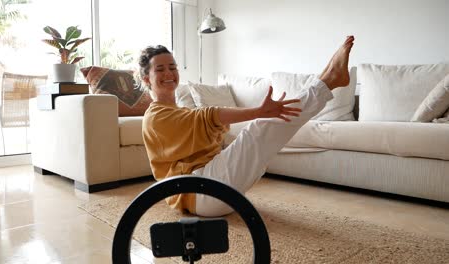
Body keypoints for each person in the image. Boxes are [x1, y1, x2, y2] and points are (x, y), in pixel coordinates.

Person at [141, 36, 355, 217]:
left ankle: (326, 80)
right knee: (262, 127)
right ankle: (328, 81)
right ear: (146, 79)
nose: (169, 73)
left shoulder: (178, 111)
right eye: (160, 69)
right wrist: (259, 112)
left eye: (172, 67)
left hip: (213, 188)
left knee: (267, 129)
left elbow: (204, 124)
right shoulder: (155, 116)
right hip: (199, 192)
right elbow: (206, 116)